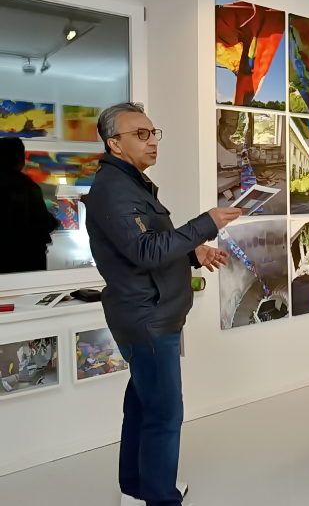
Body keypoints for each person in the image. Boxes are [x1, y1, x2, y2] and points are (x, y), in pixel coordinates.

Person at [85, 102, 242, 506]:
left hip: (150, 314)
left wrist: (193, 253)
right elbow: (145, 251)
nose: (152, 141)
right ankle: (160, 498)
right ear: (114, 143)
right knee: (164, 415)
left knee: (143, 406)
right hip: (148, 320)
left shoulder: (131, 183)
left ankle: (136, 488)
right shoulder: (113, 189)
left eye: (153, 132)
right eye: (140, 134)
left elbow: (149, 244)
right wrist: (206, 223)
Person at [0, 137, 58, 273]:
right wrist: (54, 221)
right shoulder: (27, 186)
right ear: (20, 160)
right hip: (27, 257)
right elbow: (42, 222)